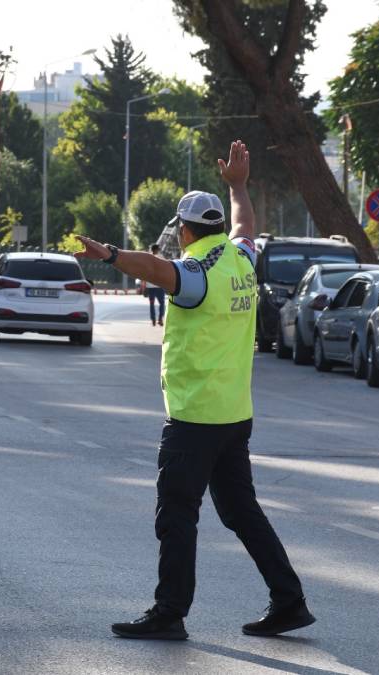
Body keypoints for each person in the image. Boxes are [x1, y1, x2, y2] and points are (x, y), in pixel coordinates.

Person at [74, 140, 314, 640]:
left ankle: (169, 613)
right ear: (215, 226)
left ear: (185, 230)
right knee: (242, 512)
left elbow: (155, 269)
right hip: (234, 414)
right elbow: (245, 225)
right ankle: (289, 600)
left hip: (194, 419)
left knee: (177, 515)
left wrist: (111, 254)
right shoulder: (240, 259)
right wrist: (239, 186)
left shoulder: (195, 272)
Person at [138, 244, 167, 326]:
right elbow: (165, 270)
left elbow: (144, 273)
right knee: (162, 303)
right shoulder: (161, 258)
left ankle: (153, 320)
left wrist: (143, 286)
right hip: (159, 286)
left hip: (150, 287)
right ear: (157, 249)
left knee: (152, 304)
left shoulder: (147, 258)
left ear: (151, 249)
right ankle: (160, 319)